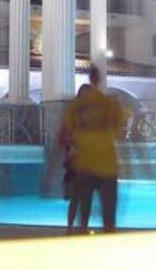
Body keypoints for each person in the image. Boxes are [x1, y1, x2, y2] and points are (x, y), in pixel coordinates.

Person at [58, 66, 129, 232]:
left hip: (84, 163)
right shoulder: (110, 104)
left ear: (89, 78)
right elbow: (121, 132)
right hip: (108, 165)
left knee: (83, 212)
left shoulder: (76, 107)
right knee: (109, 217)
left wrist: (72, 146)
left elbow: (63, 138)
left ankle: (81, 233)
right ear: (99, 80)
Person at [59, 83, 91, 233]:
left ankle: (83, 226)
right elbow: (67, 135)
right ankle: (70, 227)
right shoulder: (74, 114)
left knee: (86, 198)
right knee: (75, 198)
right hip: (76, 159)